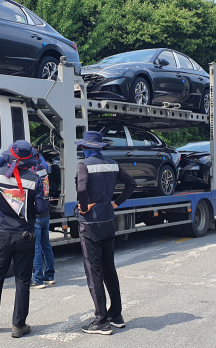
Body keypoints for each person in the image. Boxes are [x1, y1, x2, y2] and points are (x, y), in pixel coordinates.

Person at [0, 141, 48, 338]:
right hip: (25, 236)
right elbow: (42, 210)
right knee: (22, 281)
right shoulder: (35, 180)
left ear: (10, 157)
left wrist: (8, 157)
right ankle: (18, 325)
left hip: (0, 235)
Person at [75, 131, 136, 335]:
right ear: (100, 147)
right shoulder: (112, 163)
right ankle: (116, 314)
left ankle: (101, 321)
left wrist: (83, 207)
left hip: (91, 224)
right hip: (109, 221)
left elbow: (82, 189)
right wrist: (116, 202)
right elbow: (131, 184)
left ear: (84, 147)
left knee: (94, 272)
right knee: (109, 269)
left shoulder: (84, 165)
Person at [30, 151, 55, 289]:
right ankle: (50, 275)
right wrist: (39, 154)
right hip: (46, 213)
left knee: (36, 247)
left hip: (36, 215)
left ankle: (37, 279)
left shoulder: (30, 172)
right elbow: (43, 161)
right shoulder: (43, 169)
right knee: (46, 246)